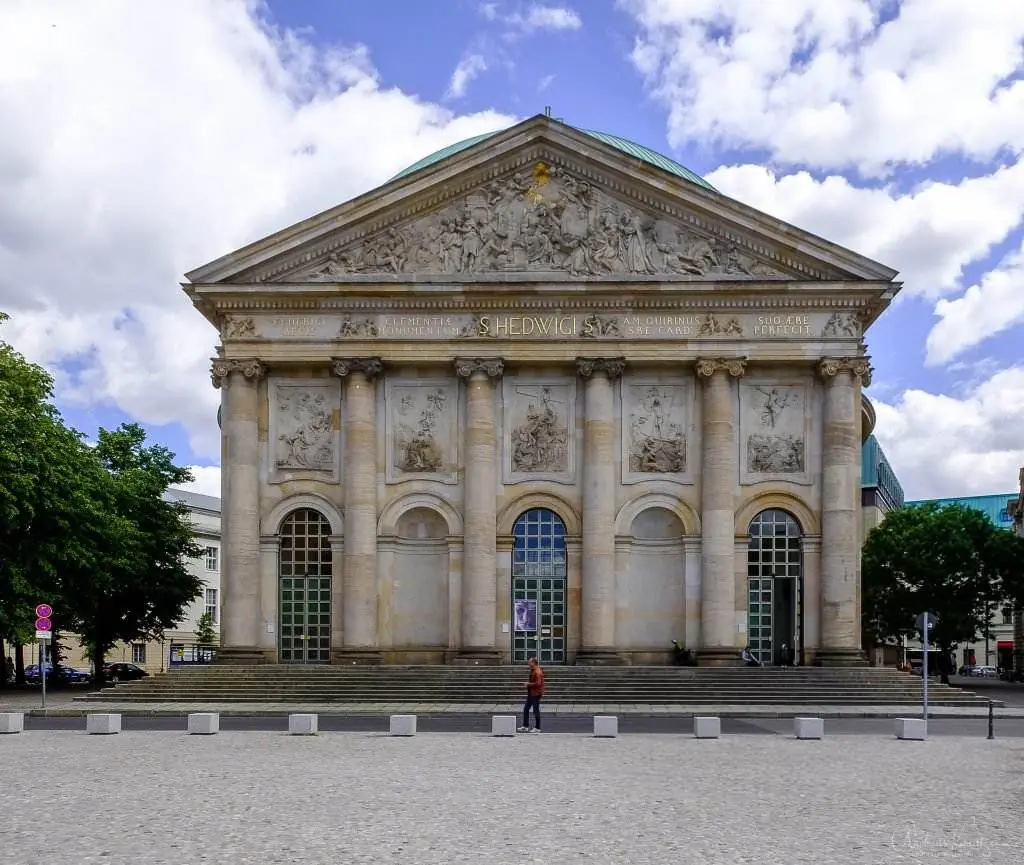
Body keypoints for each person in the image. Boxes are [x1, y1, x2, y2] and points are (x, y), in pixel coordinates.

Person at [519, 657, 544, 733]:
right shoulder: (533, 670)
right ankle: (525, 726)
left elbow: (538, 684)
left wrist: (528, 684)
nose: (528, 663)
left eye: (529, 662)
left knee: (536, 710)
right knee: (526, 709)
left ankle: (537, 728)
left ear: (533, 663)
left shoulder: (537, 672)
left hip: (536, 693)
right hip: (531, 693)